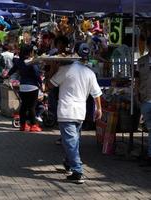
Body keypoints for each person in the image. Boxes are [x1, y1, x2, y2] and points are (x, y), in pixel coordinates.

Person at [48, 42, 102, 184]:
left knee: (71, 142)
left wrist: (53, 68)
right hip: (80, 112)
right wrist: (99, 109)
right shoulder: (89, 72)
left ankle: (77, 171)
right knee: (73, 141)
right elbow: (97, 93)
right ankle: (68, 164)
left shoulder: (65, 69)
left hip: (66, 111)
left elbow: (50, 84)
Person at [6, 44, 43, 132]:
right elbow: (37, 74)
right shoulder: (31, 61)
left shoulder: (19, 61)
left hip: (22, 87)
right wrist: (41, 84)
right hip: (32, 86)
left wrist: (6, 75)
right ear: (30, 52)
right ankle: (33, 125)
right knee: (32, 107)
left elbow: (12, 69)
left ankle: (23, 125)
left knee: (23, 106)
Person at [138, 36, 151, 167]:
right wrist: (137, 93)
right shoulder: (142, 61)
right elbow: (137, 80)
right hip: (145, 99)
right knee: (149, 128)